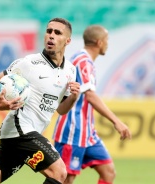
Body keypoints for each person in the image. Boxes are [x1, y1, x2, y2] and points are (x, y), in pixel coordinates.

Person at [0, 17, 80, 184]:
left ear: (67, 40)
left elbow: (62, 110)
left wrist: (74, 97)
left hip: (21, 136)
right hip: (20, 129)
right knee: (58, 172)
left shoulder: (70, 70)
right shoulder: (29, 63)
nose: (51, 35)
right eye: (49, 31)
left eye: (57, 33)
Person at [53, 25, 132, 184]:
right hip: (73, 131)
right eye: (106, 40)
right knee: (66, 178)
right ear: (99, 42)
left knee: (108, 172)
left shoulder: (84, 61)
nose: (108, 44)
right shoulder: (82, 61)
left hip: (87, 133)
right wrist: (117, 122)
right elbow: (90, 95)